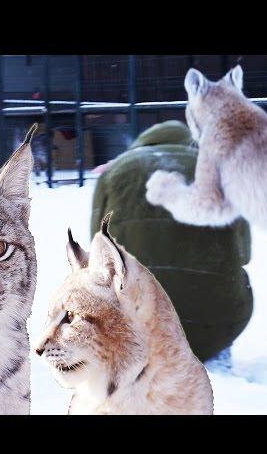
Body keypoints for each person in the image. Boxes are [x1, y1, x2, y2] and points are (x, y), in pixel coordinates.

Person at [90, 120, 253, 363]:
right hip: (216, 323)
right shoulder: (220, 170)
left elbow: (97, 252)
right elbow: (244, 252)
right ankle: (217, 358)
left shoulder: (116, 171)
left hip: (133, 328)